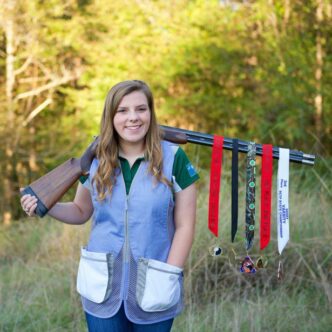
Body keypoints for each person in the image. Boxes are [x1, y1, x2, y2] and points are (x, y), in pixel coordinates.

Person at [20, 80, 199, 332]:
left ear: (151, 113)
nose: (133, 118)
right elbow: (80, 211)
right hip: (101, 285)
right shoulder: (94, 159)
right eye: (122, 111)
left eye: (141, 109)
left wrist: (169, 274)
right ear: (110, 117)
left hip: (155, 282)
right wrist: (46, 205)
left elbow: (185, 225)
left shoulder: (173, 158)